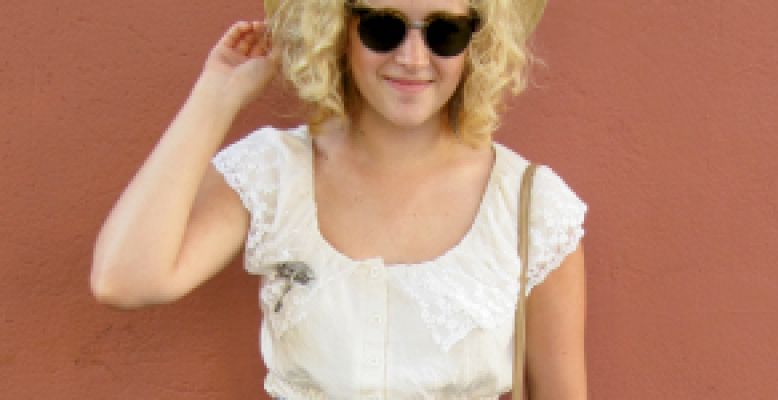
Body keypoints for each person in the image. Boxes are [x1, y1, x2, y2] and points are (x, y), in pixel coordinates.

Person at [90, 0, 588, 398]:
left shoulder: (529, 207)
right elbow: (125, 279)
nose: (413, 58)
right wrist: (217, 96)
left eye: (444, 32)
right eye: (383, 27)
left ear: (476, 41)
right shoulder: (275, 172)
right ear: (339, 28)